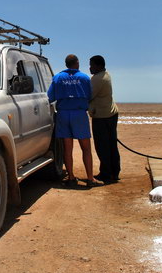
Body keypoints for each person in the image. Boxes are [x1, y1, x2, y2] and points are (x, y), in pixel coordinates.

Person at [48, 54, 102, 187]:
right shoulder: (84, 77)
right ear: (77, 63)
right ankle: (90, 178)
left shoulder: (58, 77)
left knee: (68, 148)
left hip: (63, 114)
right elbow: (89, 95)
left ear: (66, 64)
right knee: (86, 148)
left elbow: (50, 97)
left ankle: (71, 177)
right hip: (79, 114)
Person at [88, 55, 121, 182]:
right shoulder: (106, 74)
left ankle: (106, 174)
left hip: (102, 116)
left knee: (102, 146)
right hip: (111, 114)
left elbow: (88, 96)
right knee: (111, 145)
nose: (90, 68)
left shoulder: (97, 79)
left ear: (99, 66)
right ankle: (114, 172)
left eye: (92, 65)